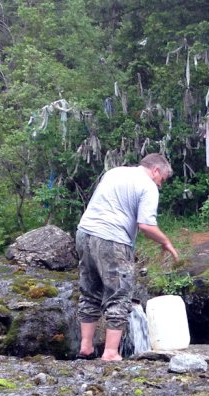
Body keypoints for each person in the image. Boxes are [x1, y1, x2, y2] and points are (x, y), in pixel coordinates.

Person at [75, 152, 179, 361]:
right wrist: (166, 242)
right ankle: (110, 352)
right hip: (112, 239)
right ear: (155, 170)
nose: (160, 184)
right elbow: (146, 225)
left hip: (84, 234)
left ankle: (86, 347)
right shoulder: (148, 186)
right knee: (119, 294)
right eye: (162, 179)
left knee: (90, 291)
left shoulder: (114, 172)